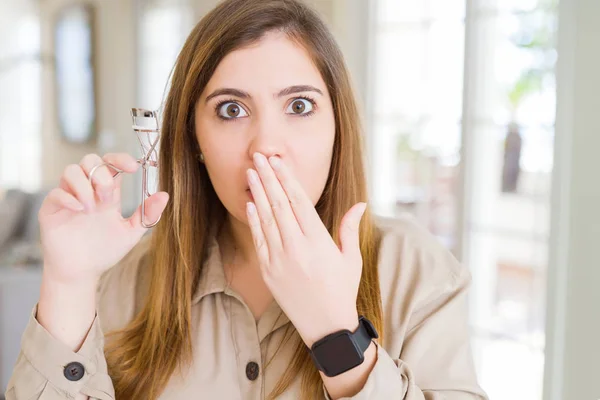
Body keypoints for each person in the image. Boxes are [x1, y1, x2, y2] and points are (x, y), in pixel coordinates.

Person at [6, 0, 488, 399]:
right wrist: (68, 282)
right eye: (231, 110)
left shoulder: (415, 270)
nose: (265, 146)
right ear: (194, 136)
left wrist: (338, 337)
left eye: (299, 106)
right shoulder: (129, 280)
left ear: (337, 128)